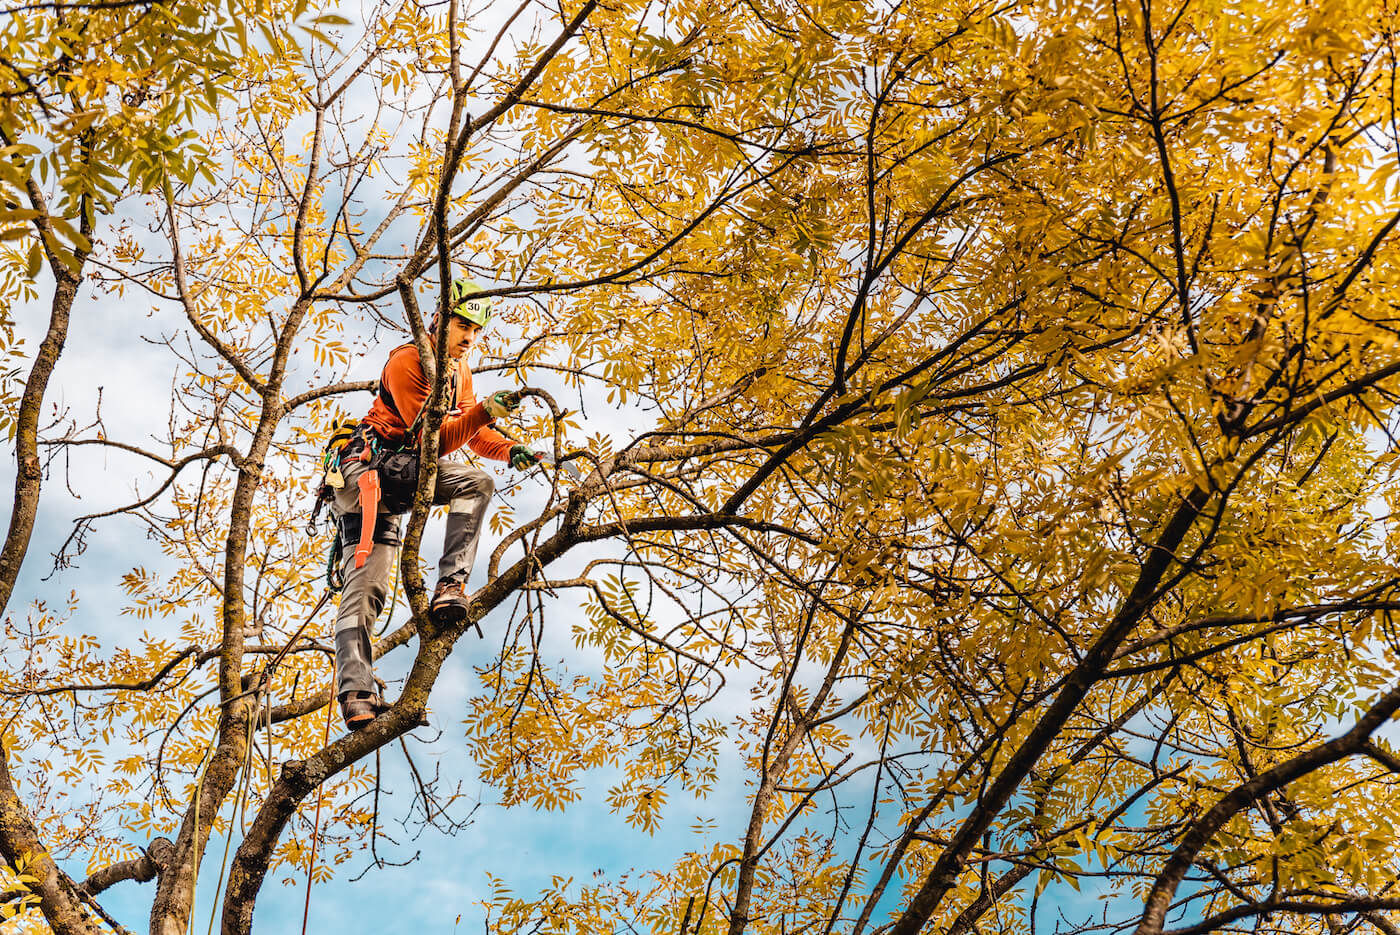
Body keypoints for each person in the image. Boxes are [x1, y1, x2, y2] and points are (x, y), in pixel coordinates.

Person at [329, 279, 543, 730]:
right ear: (438, 321)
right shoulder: (409, 362)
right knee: (474, 482)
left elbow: (472, 429)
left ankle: (356, 695)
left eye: (476, 331)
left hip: (393, 482)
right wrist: (484, 412)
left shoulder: (460, 372)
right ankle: (451, 584)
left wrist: (509, 447)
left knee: (367, 590)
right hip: (369, 471)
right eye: (461, 326)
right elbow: (431, 445)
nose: (468, 338)